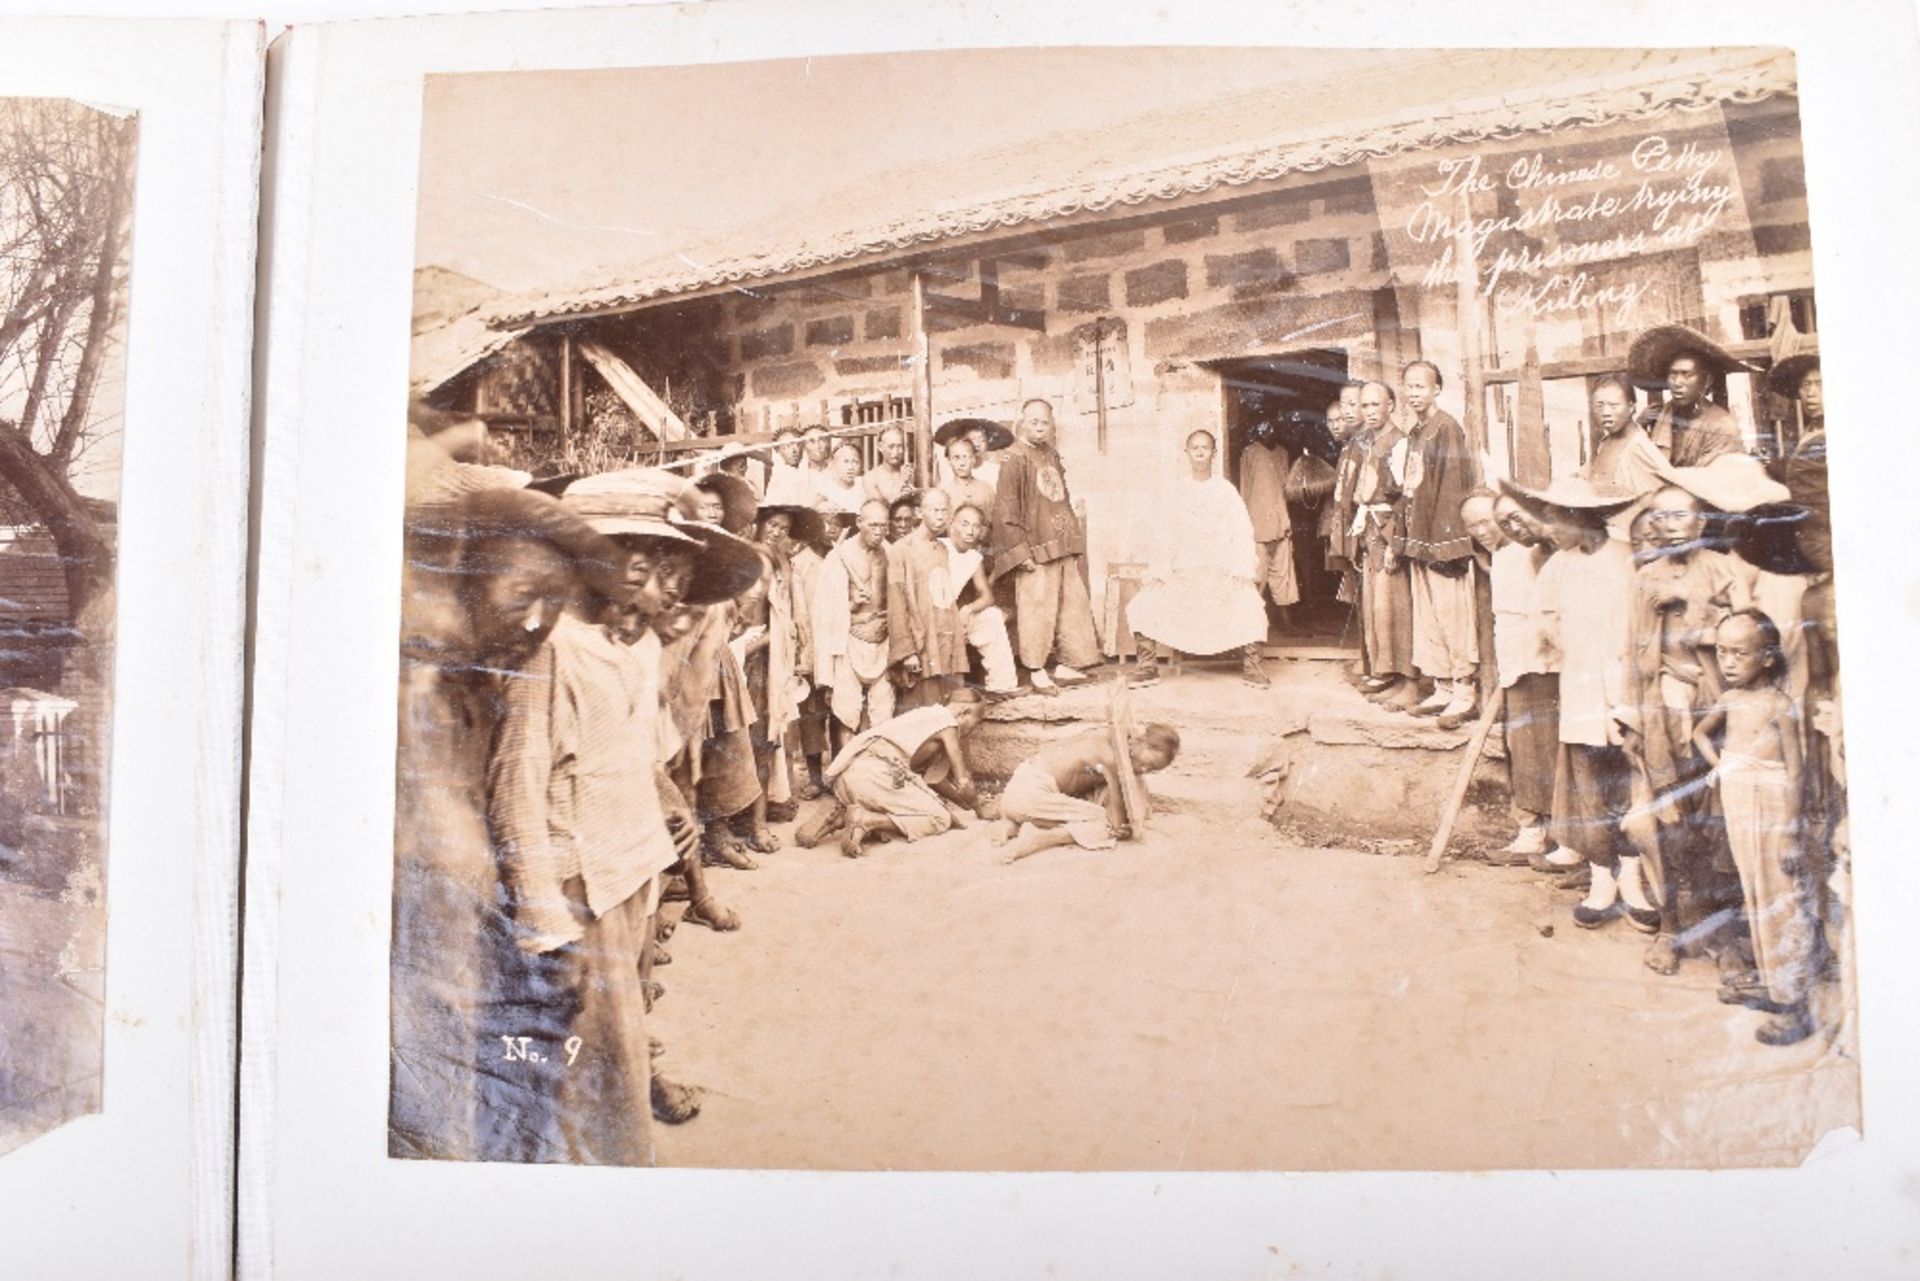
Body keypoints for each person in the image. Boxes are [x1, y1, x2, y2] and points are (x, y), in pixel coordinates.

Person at [486, 469, 750, 1163]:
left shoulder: (639, 652)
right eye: (655, 572)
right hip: (580, 889)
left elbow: (641, 751)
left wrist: (670, 806)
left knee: (623, 1044)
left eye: (677, 575)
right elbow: (517, 791)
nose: (671, 593)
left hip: (632, 870)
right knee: (584, 1065)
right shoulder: (549, 654)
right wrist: (545, 923)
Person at [389, 484, 611, 1163]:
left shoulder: (516, 664)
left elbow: (513, 795)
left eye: (555, 603)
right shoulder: (411, 675)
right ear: (467, 582)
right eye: (523, 595)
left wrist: (541, 926)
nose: (537, 622)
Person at [1506, 476, 1660, 934]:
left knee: (1630, 781)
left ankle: (1633, 881)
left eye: (1557, 519)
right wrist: (1568, 646)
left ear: (1581, 519)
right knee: (1590, 782)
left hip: (1628, 682)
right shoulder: (1559, 566)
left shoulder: (1625, 558)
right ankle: (1600, 880)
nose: (1550, 528)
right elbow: (1545, 615)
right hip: (1582, 684)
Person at [1621, 484, 1751, 975]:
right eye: (1661, 516)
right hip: (1661, 711)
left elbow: (1750, 638)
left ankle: (1728, 939)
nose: (1670, 524)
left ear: (1700, 523)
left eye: (1681, 515)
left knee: (1718, 828)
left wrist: (1693, 606)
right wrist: (1631, 719)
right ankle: (1672, 929)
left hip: (1717, 711)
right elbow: (1631, 646)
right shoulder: (1645, 576)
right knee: (1667, 823)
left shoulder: (1723, 571)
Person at [1692, 610, 1817, 1046]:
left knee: (1780, 898)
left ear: (1766, 657)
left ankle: (1796, 1004)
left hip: (1773, 803)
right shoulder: (1729, 700)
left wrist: (1789, 832)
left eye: (1739, 653)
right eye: (1722, 652)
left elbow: (1798, 774)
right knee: (1755, 892)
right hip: (1738, 800)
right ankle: (1772, 984)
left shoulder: (1780, 706)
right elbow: (1701, 735)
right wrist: (1725, 767)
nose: (1727, 662)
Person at [1128, 428, 1271, 688]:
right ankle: (1147, 667)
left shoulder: (1226, 491)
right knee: (1143, 604)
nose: (1199, 451)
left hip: (1219, 574)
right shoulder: (1176, 491)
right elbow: (1164, 534)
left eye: (1205, 447)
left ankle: (1252, 667)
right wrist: (1160, 573)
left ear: (1214, 454)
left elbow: (1241, 532)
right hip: (1184, 575)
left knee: (1251, 605)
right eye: (1194, 447)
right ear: (1187, 452)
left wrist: (1241, 570)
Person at [990, 398, 1102, 694]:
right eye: (1034, 422)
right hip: (1033, 547)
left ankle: (1068, 663)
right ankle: (1036, 668)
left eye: (1045, 423)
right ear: (1022, 422)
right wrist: (1019, 552)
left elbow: (1059, 497)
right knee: (1036, 608)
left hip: (1060, 543)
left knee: (1071, 605)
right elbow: (1005, 509)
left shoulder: (1051, 454)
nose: (1040, 428)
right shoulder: (1013, 458)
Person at [1397, 360, 1480, 722]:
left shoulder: (1446, 428)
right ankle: (1442, 686)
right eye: (1409, 386)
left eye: (1421, 386)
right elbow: (1413, 489)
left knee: (1452, 617)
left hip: (1442, 541)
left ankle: (1465, 692)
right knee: (1429, 617)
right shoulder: (1416, 432)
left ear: (1437, 390)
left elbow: (1451, 487)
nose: (1414, 393)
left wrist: (1446, 546)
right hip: (1421, 538)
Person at [1482, 492, 1562, 863]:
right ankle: (1531, 831)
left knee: (1549, 750)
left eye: (1488, 521)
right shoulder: (1500, 557)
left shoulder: (1547, 553)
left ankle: (1563, 837)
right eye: (1474, 526)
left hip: (1547, 662)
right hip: (1516, 662)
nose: (1486, 531)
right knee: (1523, 749)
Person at [818, 687, 987, 858]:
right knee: (939, 819)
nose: (975, 728)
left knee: (929, 810)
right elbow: (963, 782)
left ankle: (841, 817)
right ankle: (865, 820)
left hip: (850, 777)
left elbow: (934, 781)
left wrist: (964, 806)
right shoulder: (948, 724)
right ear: (964, 713)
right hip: (874, 775)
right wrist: (980, 811)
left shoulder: (929, 714)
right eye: (977, 721)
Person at [996, 722, 1181, 863]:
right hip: (1028, 796)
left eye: (1151, 770)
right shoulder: (1109, 757)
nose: (1144, 769)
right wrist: (1123, 827)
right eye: (1147, 764)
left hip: (1023, 789)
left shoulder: (1119, 739)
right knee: (1104, 824)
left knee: (1115, 790)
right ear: (1143, 744)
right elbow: (1116, 824)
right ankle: (1041, 837)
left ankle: (1015, 823)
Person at [1352, 381, 1418, 709]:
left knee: (1396, 608)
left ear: (1391, 405)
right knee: (1376, 607)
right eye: (1365, 406)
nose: (1370, 412)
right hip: (1371, 534)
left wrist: (1396, 543)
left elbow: (1408, 497)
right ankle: (1387, 673)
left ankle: (1408, 680)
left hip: (1390, 533)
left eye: (1376, 405)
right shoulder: (1368, 441)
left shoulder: (1400, 442)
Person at [813, 498, 896, 743]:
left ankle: (875, 771)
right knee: (847, 713)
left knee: (883, 714)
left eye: (883, 526)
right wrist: (849, 604)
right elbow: (824, 611)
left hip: (883, 640)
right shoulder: (839, 557)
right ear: (859, 522)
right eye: (873, 525)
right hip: (850, 641)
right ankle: (844, 776)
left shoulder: (890, 553)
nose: (879, 532)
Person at [1628, 325, 1748, 467]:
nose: (1678, 382)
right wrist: (1639, 426)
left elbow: (1715, 480)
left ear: (1707, 380)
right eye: (1673, 375)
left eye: (1687, 375)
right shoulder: (1662, 417)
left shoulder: (1723, 427)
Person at [1237, 416, 1300, 625]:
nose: (1269, 431)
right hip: (1257, 524)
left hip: (1281, 522)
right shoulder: (1250, 452)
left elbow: (1287, 488)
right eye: (1264, 426)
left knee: (1284, 573)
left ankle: (1286, 620)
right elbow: (1245, 489)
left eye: (1273, 427)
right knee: (1258, 574)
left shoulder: (1282, 453)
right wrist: (1245, 525)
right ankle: (1253, 622)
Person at [1585, 375, 1664, 501]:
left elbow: (1662, 497)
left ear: (1631, 407)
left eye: (1613, 405)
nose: (1606, 413)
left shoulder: (1639, 447)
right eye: (1599, 406)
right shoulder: (1605, 442)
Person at [938, 429, 998, 524]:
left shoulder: (986, 490)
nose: (962, 463)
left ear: (973, 459)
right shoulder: (943, 491)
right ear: (949, 461)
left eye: (966, 457)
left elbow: (994, 522)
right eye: (956, 457)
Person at [814, 442, 867, 521]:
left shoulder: (865, 485)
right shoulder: (825, 488)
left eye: (855, 462)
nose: (850, 467)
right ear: (834, 464)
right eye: (845, 462)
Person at [762, 425, 812, 507]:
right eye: (787, 446)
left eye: (798, 445)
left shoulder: (810, 474)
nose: (794, 450)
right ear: (778, 451)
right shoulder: (779, 478)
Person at [862, 425, 913, 505]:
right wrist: (901, 481)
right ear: (880, 447)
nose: (896, 452)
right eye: (891, 447)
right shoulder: (871, 477)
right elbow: (881, 510)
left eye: (899, 446)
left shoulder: (910, 473)